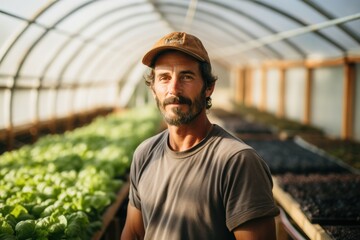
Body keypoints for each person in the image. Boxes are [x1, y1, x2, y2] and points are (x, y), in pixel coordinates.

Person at [121, 32, 279, 240]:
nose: (174, 89)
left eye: (186, 76)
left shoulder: (237, 162)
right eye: (164, 78)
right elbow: (133, 233)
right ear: (153, 89)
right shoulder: (145, 153)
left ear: (209, 87)